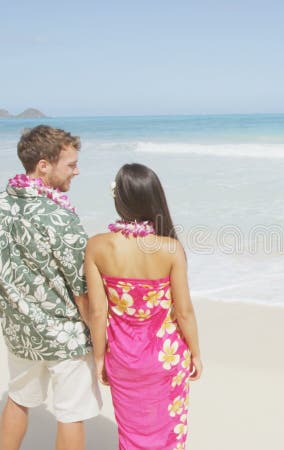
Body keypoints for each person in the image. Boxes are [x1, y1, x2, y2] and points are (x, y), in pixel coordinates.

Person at [0, 125, 102, 450]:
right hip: (66, 337)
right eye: (70, 164)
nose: (77, 170)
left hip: (19, 332)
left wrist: (13, 308)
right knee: (71, 415)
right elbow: (82, 290)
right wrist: (100, 341)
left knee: (18, 398)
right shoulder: (59, 217)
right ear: (44, 165)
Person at [84, 163, 202, 450]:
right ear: (154, 198)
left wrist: (99, 358)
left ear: (119, 199)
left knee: (131, 435)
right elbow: (184, 312)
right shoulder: (169, 249)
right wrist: (196, 353)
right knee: (169, 434)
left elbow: (98, 313)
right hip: (165, 356)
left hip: (123, 357)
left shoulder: (97, 246)